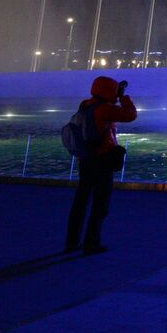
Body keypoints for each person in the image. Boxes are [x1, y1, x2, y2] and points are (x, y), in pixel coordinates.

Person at [65, 75, 136, 254]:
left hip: (85, 159)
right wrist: (122, 97)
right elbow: (131, 115)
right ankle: (92, 243)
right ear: (109, 90)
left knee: (80, 202)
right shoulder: (105, 109)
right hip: (102, 160)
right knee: (100, 204)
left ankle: (71, 242)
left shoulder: (86, 105)